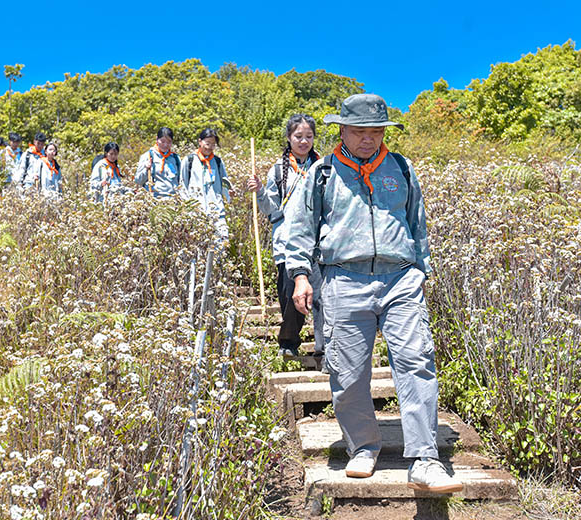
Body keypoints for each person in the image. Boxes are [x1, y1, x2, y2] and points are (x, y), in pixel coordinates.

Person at [285, 93, 462, 492]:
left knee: (416, 361)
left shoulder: (400, 166)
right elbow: (299, 230)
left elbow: (417, 222)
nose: (368, 139)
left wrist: (421, 270)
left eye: (376, 131)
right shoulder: (323, 173)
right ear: (342, 130)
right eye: (359, 131)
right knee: (348, 374)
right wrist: (300, 275)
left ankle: (425, 458)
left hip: (400, 279)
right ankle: (362, 446)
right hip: (342, 280)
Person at [247, 114, 324, 358]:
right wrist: (260, 191)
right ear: (289, 138)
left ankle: (323, 348)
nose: (304, 141)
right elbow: (272, 208)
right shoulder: (278, 170)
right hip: (287, 241)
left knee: (322, 299)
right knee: (290, 297)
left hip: (318, 243)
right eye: (298, 136)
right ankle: (289, 341)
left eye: (309, 137)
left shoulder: (323, 167)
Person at [179, 128, 232, 242]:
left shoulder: (218, 161)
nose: (209, 147)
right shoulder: (189, 160)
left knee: (220, 246)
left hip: (217, 213)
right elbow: (182, 186)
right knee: (198, 250)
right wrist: (189, 208)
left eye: (213, 144)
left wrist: (229, 194)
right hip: (196, 214)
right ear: (200, 141)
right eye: (207, 143)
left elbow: (225, 183)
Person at [134, 127, 181, 197]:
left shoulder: (175, 158)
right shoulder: (148, 156)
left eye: (169, 142)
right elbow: (138, 181)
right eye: (162, 141)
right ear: (157, 139)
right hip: (155, 199)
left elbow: (181, 180)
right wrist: (146, 169)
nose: (165, 145)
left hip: (173, 199)